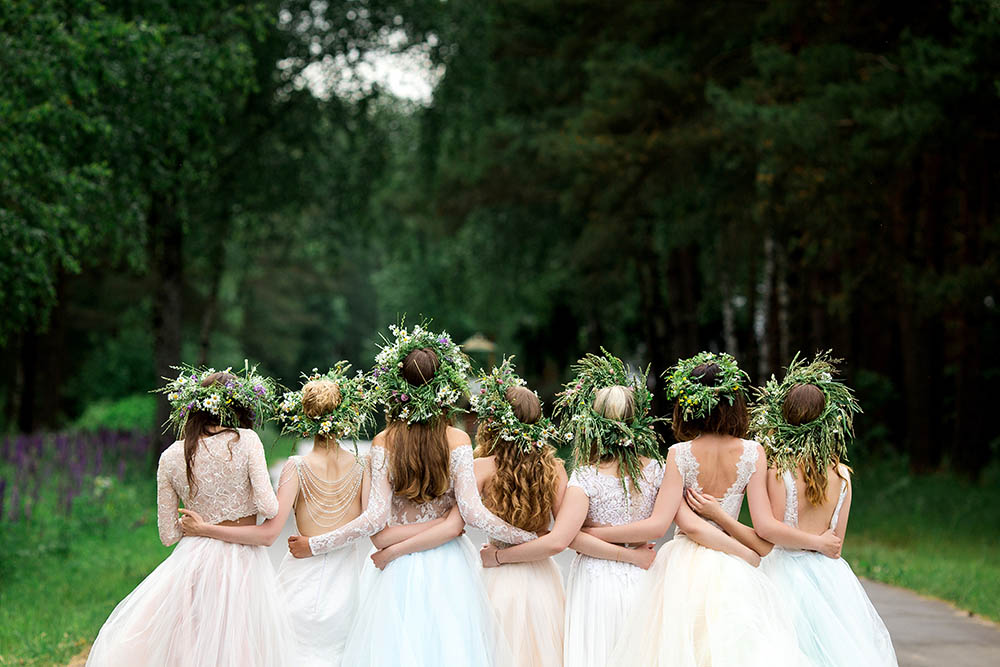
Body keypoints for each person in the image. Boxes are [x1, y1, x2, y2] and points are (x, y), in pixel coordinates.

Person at [316, 323, 537, 666]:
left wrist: (319, 542)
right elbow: (473, 515)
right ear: (444, 387)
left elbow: (375, 521)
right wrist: (526, 537)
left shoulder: (383, 441)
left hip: (397, 569)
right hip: (449, 563)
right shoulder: (458, 440)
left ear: (397, 385)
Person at [591, 352, 823, 667]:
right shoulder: (754, 453)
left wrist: (599, 532)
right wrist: (736, 536)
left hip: (682, 567)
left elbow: (659, 525)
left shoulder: (679, 454)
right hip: (733, 566)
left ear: (690, 406)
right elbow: (764, 540)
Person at [688, 352, 897, 666]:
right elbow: (835, 544)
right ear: (826, 421)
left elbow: (769, 531)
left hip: (784, 572)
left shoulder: (780, 470)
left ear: (784, 420)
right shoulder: (843, 475)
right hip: (830, 577)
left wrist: (719, 516)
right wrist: (820, 544)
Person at [87, 365, 297, 667]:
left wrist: (200, 525)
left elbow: (168, 535)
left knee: (193, 646)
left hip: (193, 560)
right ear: (238, 406)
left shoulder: (171, 455)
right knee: (236, 645)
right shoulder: (247, 440)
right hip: (242, 561)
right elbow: (270, 508)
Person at [178, 363, 379, 666]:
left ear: (305, 419)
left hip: (301, 579)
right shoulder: (364, 465)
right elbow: (369, 524)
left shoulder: (296, 467)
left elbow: (267, 534)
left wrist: (207, 529)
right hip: (348, 585)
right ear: (346, 416)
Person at [479, 351, 662, 667]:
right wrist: (631, 552)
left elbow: (566, 536)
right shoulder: (556, 470)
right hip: (551, 578)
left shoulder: (583, 474)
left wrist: (498, 555)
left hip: (513, 574)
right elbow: (565, 534)